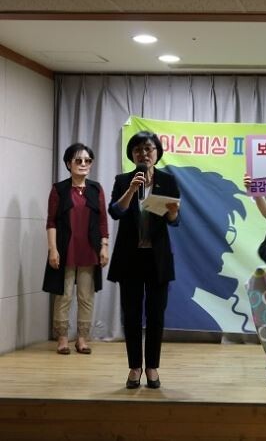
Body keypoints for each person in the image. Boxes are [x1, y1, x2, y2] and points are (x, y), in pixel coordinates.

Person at [107, 131, 180, 389]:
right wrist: (131, 189)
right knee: (132, 315)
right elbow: (115, 212)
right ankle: (135, 367)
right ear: (132, 155)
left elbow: (175, 221)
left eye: (148, 148)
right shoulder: (123, 180)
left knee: (156, 315)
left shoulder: (168, 181)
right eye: (138, 149)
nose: (144, 153)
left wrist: (173, 213)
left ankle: (152, 367)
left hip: (157, 258)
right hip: (130, 258)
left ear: (157, 153)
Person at [42, 143, 109, 355]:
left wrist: (104, 246)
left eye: (87, 160)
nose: (83, 164)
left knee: (86, 297)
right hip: (65, 249)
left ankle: (82, 339)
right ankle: (62, 339)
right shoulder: (59, 189)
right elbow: (51, 222)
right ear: (68, 163)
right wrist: (53, 249)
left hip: (89, 249)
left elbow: (103, 221)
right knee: (64, 295)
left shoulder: (96, 189)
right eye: (78, 160)